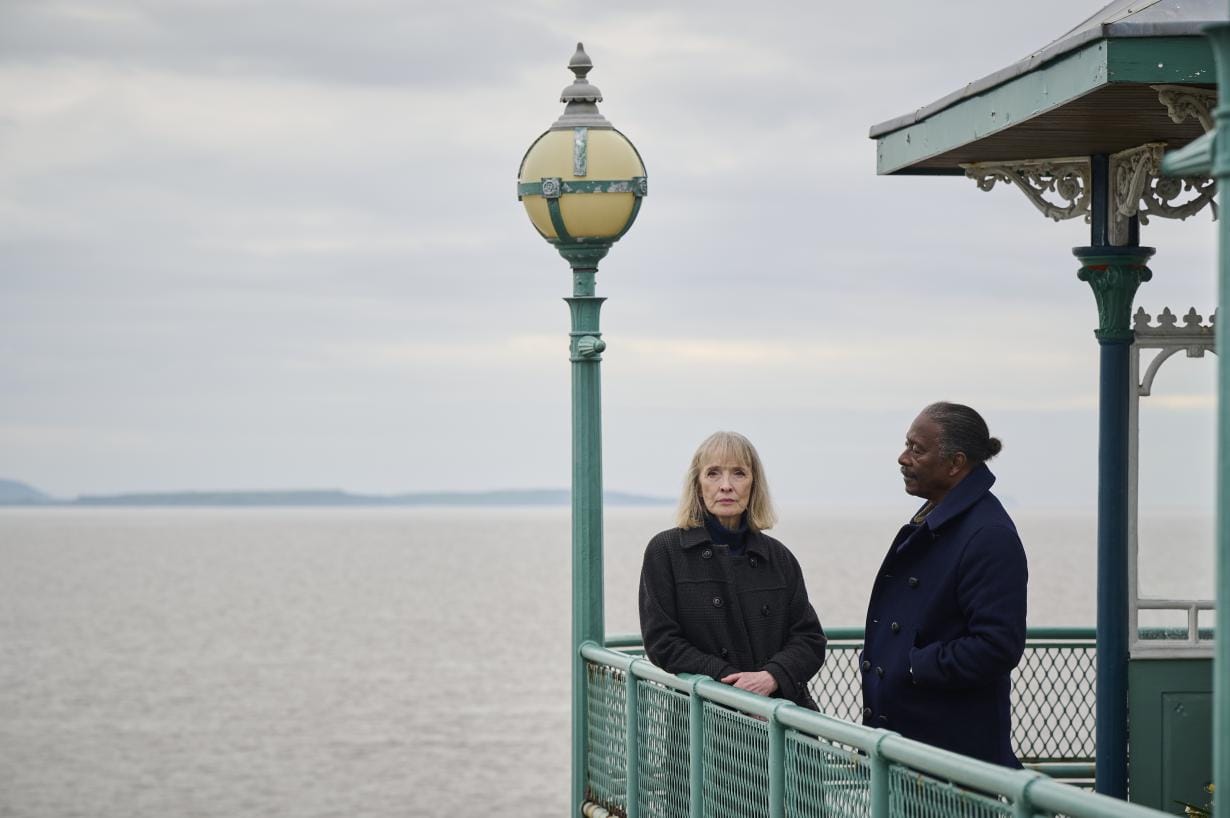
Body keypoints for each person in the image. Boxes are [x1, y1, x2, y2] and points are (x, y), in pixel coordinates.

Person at [861, 402, 1028, 766]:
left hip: (950, 760)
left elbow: (997, 646)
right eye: (907, 446)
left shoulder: (989, 535)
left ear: (955, 463)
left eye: (917, 449)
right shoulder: (941, 519)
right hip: (912, 748)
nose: (903, 458)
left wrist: (909, 666)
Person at [639, 431, 827, 708]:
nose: (726, 486)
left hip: (782, 718)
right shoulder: (666, 551)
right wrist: (731, 681)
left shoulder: (778, 557)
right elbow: (662, 642)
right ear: (697, 484)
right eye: (713, 473)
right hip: (704, 719)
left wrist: (772, 676)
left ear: (754, 484)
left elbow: (809, 638)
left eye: (738, 473)